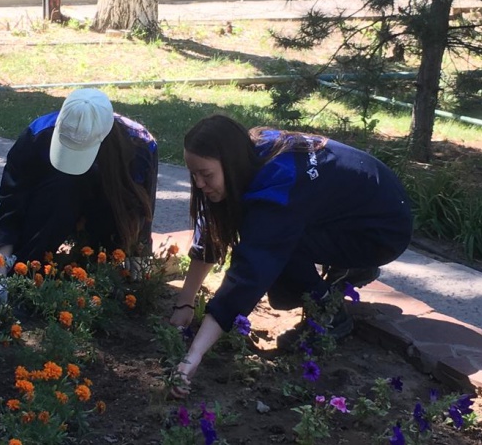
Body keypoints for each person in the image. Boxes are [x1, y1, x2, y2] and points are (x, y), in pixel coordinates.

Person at [169, 115, 413, 396]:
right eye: (193, 174)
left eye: (206, 174)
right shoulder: (252, 151)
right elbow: (211, 233)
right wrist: (185, 302)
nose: (199, 183)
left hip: (381, 230)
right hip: (359, 208)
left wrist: (194, 355)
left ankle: (328, 312)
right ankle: (348, 269)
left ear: (230, 161)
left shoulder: (278, 186)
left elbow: (248, 275)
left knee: (277, 246)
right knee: (276, 237)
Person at [0, 88, 158, 279]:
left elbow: (141, 209)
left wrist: (138, 261)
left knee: (115, 262)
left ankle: (103, 267)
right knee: (62, 185)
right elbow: (12, 204)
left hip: (105, 212)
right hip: (54, 207)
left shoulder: (140, 145)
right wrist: (1, 264)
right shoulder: (36, 135)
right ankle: (27, 273)